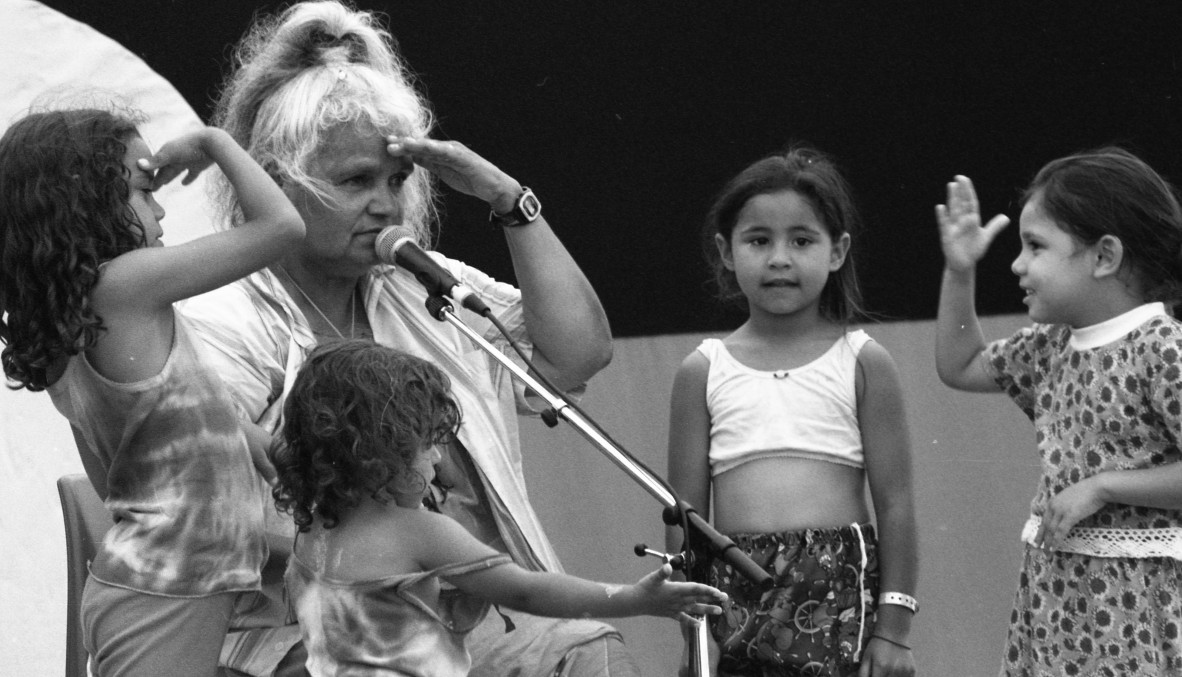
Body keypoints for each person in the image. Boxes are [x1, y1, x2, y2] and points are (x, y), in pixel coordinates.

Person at [178, 3, 631, 675]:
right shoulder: (227, 315)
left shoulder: (422, 283)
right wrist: (394, 560)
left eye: (397, 179)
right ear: (277, 184)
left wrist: (509, 200)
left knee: (589, 653)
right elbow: (205, 505)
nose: (388, 204)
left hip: (471, 622)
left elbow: (576, 354)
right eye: (357, 180)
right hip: (305, 632)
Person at [0, 105, 304, 676]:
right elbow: (282, 228)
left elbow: (117, 470)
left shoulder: (67, 321)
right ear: (88, 202)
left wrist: (238, 440)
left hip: (153, 588)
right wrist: (216, 143)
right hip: (163, 594)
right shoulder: (126, 284)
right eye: (144, 190)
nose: (160, 208)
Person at [270, 339, 726, 676]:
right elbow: (527, 592)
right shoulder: (421, 532)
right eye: (428, 445)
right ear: (378, 452)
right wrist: (635, 599)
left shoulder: (313, 528)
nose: (437, 461)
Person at [666, 147, 919, 677]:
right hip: (735, 602)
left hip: (843, 601)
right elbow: (684, 517)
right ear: (727, 251)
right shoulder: (702, 370)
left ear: (837, 250)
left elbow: (894, 503)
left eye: (801, 241)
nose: (779, 258)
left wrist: (894, 627)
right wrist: (696, 633)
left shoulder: (864, 362)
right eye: (759, 240)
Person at [935, 148, 1182, 675]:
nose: (1018, 264)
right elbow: (959, 365)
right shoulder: (1050, 346)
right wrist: (960, 271)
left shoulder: (1161, 348)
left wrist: (1104, 486)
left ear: (1104, 256)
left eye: (1036, 246)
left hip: (1136, 609)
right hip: (1056, 602)